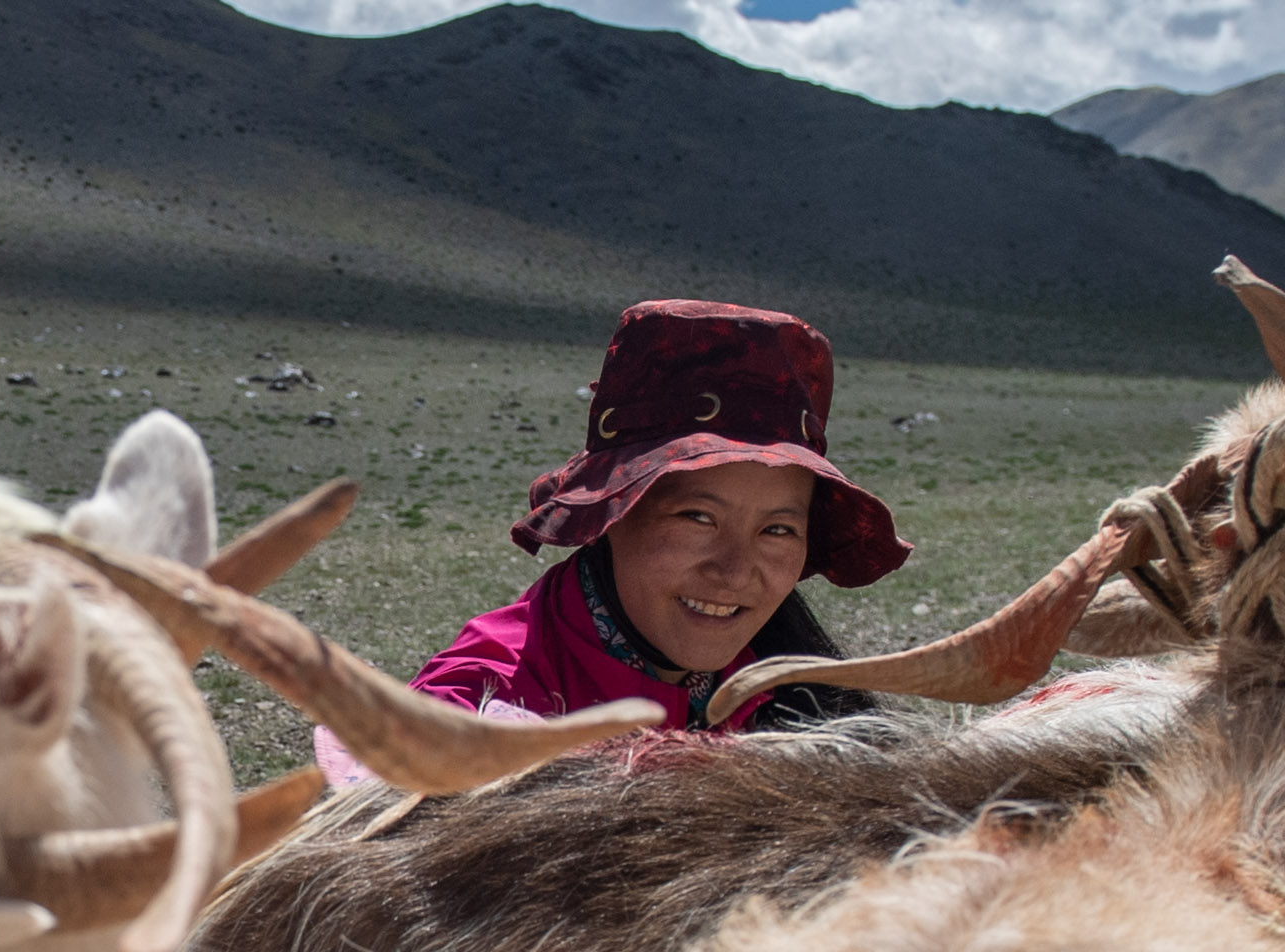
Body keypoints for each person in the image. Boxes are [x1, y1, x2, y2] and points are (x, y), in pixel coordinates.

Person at [379, 300, 902, 763]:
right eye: (698, 518)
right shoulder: (481, 703)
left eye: (779, 530)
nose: (736, 571)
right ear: (611, 516)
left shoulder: (790, 693)